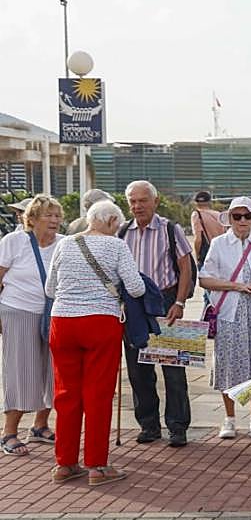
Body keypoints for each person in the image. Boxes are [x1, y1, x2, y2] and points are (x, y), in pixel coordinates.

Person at [46, 199, 145, 486]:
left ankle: (64, 463)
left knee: (66, 393)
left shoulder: (65, 244)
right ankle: (97, 466)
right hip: (100, 321)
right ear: (113, 221)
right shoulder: (116, 246)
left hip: (62, 321)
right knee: (98, 393)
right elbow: (136, 287)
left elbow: (50, 289)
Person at [120, 181, 194, 447]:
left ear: (155, 201)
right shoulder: (122, 232)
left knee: (173, 369)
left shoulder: (170, 229)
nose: (137, 206)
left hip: (164, 301)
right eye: (133, 201)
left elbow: (185, 268)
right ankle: (148, 425)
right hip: (133, 305)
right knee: (138, 370)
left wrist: (180, 301)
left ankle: (177, 426)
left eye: (143, 200)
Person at [198, 196, 251, 439]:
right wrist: (236, 286)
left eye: (247, 216)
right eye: (237, 216)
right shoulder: (220, 244)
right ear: (229, 218)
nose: (242, 221)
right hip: (229, 313)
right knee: (227, 365)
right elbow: (204, 278)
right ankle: (229, 418)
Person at [0, 194, 63, 456]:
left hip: (54, 314)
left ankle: (40, 426)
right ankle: (8, 433)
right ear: (32, 218)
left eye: (58, 216)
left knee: (51, 371)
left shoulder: (64, 244)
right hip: (18, 310)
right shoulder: (14, 241)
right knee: (21, 371)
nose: (54, 220)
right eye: (48, 215)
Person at [190, 190, 224, 268]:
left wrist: (197, 256)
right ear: (209, 202)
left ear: (196, 202)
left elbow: (198, 239)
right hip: (221, 253)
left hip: (207, 255)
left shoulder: (196, 215)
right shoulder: (218, 215)